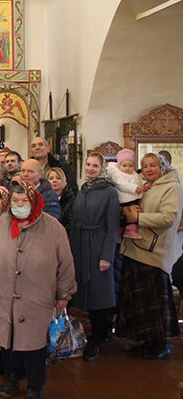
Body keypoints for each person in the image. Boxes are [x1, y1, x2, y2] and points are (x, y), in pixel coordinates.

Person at [0, 181, 77, 399]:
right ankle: (11, 378)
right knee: (8, 340)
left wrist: (64, 293)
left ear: (34, 201)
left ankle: (36, 385)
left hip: (37, 296)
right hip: (3, 293)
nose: (19, 205)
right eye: (15, 201)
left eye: (24, 201)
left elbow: (66, 264)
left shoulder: (53, 227)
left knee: (35, 344)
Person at [119, 153, 182, 359]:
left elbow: (169, 218)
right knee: (140, 302)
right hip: (137, 249)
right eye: (145, 166)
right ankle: (147, 340)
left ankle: (161, 344)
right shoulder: (147, 186)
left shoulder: (173, 187)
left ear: (162, 167)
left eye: (153, 165)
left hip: (155, 252)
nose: (148, 169)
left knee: (155, 303)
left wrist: (138, 216)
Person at [69, 153, 120, 362]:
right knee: (85, 296)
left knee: (100, 297)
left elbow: (112, 226)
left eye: (95, 165)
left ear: (102, 168)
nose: (90, 168)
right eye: (88, 165)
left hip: (98, 246)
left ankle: (97, 340)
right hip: (81, 246)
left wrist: (106, 255)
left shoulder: (109, 192)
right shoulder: (83, 189)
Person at [105, 148, 145, 239]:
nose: (127, 168)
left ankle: (121, 234)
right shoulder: (118, 175)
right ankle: (129, 230)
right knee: (127, 216)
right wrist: (134, 188)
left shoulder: (134, 174)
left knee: (133, 213)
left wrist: (145, 184)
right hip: (125, 199)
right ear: (119, 165)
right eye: (124, 165)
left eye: (130, 165)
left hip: (134, 198)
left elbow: (139, 180)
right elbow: (122, 184)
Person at [47, 167, 75, 233]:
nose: (54, 180)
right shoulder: (44, 198)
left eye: (58, 178)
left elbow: (71, 222)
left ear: (64, 181)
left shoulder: (71, 199)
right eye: (51, 178)